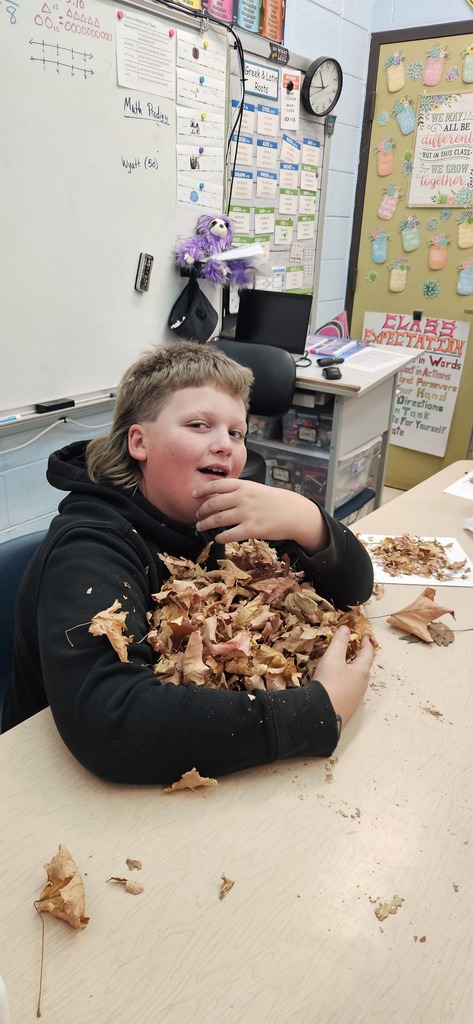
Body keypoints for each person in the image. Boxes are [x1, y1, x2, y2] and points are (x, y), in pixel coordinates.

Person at [2, 341, 374, 782]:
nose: (225, 445)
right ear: (139, 442)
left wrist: (308, 520)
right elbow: (112, 721)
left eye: (237, 433)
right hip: (39, 781)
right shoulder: (89, 547)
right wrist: (314, 711)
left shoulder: (221, 514)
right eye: (199, 425)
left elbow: (353, 589)